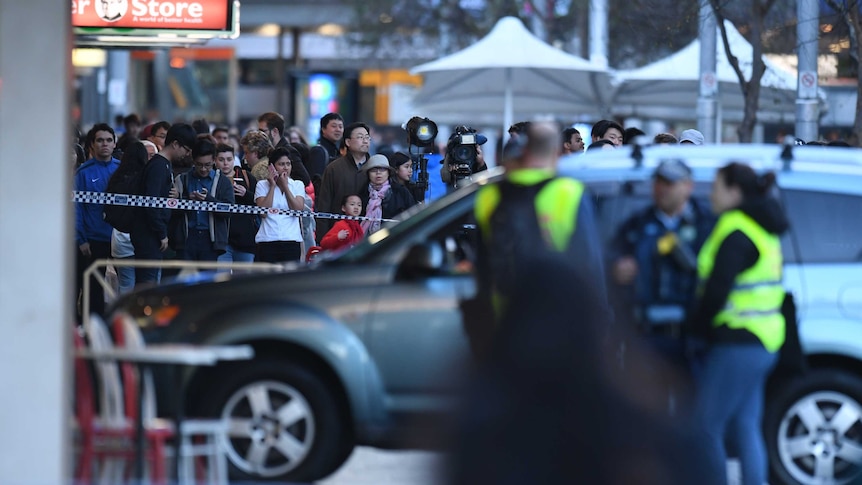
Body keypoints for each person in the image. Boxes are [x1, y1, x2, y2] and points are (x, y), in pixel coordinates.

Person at [465, 121, 608, 362]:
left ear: (525, 149)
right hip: (557, 317)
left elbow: (480, 262)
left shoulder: (490, 195)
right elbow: (589, 264)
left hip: (503, 317)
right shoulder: (569, 192)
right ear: (555, 153)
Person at [690, 162, 788, 485]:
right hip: (763, 340)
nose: (711, 194)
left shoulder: (735, 228)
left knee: (705, 427)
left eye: (716, 187)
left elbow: (717, 289)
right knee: (745, 424)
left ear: (734, 192)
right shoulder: (761, 226)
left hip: (737, 339)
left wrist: (698, 328)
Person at [608, 160, 715, 414]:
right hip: (647, 337)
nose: (661, 189)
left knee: (692, 416)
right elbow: (609, 260)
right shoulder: (637, 225)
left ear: (688, 186)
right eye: (658, 182)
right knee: (647, 415)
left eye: (669, 183)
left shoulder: (706, 224)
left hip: (691, 339)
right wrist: (616, 268)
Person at [131, 122, 196, 286]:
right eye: (186, 150)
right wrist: (161, 233)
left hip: (151, 233)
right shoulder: (159, 166)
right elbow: (151, 202)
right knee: (147, 285)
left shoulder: (164, 165)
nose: (187, 155)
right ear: (175, 144)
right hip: (149, 235)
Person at [75, 123, 120, 318]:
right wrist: (81, 239)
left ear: (114, 143)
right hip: (94, 239)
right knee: (93, 289)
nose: (105, 144)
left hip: (120, 238)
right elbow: (76, 209)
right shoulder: (83, 173)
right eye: (100, 140)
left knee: (125, 286)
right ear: (92, 145)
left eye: (109, 140)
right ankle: (92, 329)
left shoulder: (122, 169)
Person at [170, 138, 235, 262]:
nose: (204, 169)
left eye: (208, 165)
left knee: (208, 279)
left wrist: (209, 200)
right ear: (193, 161)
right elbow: (171, 210)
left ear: (214, 160)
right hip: (187, 237)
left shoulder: (223, 181)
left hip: (210, 239)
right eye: (199, 165)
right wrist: (186, 200)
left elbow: (228, 211)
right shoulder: (182, 180)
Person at [107, 141, 151, 295]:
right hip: (143, 238)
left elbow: (109, 212)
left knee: (126, 286)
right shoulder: (145, 180)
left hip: (119, 238)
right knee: (145, 286)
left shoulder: (116, 180)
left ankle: (124, 316)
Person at [317, 122, 373, 242]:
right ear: (347, 142)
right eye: (360, 137)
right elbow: (324, 204)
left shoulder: (375, 168)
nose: (365, 141)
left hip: (367, 234)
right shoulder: (334, 168)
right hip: (339, 234)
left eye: (367, 137)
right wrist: (323, 239)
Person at [254, 147, 307, 262]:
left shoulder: (297, 185)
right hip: (267, 240)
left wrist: (285, 187)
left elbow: (298, 210)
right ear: (272, 167)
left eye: (288, 164)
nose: (285, 168)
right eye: (281, 164)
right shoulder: (262, 185)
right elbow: (263, 212)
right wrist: (272, 186)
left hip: (291, 240)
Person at [215, 143, 258, 266]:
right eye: (221, 160)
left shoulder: (246, 176)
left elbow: (260, 203)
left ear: (234, 159)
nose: (225, 163)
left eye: (229, 159)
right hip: (222, 239)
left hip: (245, 239)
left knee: (244, 281)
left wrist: (246, 194)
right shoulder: (213, 179)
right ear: (215, 160)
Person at [359, 154, 416, 235]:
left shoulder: (400, 191)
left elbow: (412, 214)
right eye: (374, 170)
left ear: (388, 173)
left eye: (382, 169)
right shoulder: (363, 192)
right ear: (368, 174)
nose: (378, 173)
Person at [258, 111, 311, 186]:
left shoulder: (289, 151)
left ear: (274, 131)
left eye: (263, 132)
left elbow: (304, 179)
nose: (260, 135)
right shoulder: (269, 151)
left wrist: (283, 183)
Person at [307, 113, 343, 178]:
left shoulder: (338, 151)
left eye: (340, 127)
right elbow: (316, 180)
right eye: (334, 126)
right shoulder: (318, 151)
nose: (338, 130)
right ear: (323, 129)